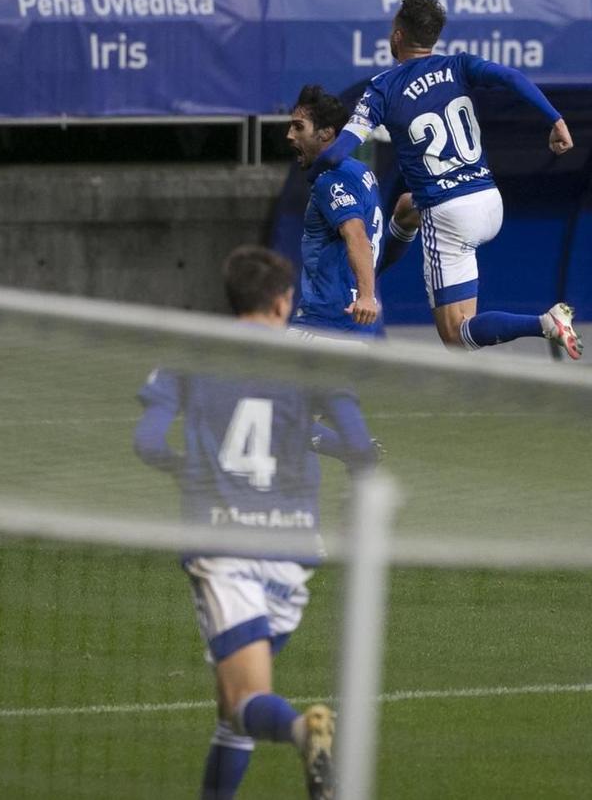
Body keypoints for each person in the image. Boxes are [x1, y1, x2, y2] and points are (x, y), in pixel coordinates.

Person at [133, 245, 381, 799]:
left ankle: (305, 731)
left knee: (244, 701)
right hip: (294, 552)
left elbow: (147, 441)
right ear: (282, 301)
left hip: (224, 547)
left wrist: (185, 468)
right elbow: (362, 448)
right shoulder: (314, 364)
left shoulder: (192, 357)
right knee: (232, 711)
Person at [310, 0, 581, 358]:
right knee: (407, 206)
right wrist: (556, 119)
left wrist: (316, 167)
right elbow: (512, 77)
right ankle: (374, 277)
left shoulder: (383, 88)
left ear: (398, 35)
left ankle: (545, 322)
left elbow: (340, 150)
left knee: (455, 336)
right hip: (488, 198)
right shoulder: (458, 65)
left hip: (449, 213)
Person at [284, 84, 384, 338]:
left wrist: (366, 297)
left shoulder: (332, 180)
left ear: (326, 133)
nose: (289, 135)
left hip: (327, 323)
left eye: (298, 127)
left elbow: (356, 235)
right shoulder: (361, 172)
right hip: (354, 324)